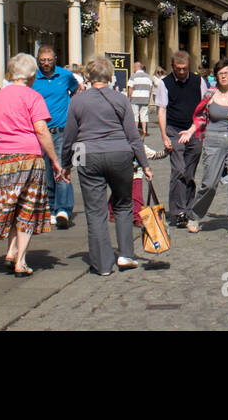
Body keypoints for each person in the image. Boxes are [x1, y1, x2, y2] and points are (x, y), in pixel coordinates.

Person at [0, 53, 68, 277]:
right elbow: (41, 130)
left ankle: (10, 250)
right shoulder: (33, 97)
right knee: (26, 206)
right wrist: (55, 161)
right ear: (31, 74)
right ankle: (21, 260)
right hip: (26, 155)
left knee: (8, 204)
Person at [62, 55, 152, 276]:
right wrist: (144, 164)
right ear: (110, 76)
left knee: (95, 211)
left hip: (87, 154)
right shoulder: (120, 99)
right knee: (123, 204)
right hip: (120, 152)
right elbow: (133, 136)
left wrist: (65, 164)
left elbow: (69, 137)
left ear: (88, 76)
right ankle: (126, 255)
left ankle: (102, 264)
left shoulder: (77, 101)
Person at [179, 58, 228, 234]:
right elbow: (201, 117)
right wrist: (191, 131)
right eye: (220, 74)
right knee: (210, 184)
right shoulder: (210, 94)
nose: (223, 77)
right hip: (213, 143)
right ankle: (195, 216)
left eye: (226, 73)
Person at [32, 45, 79, 229]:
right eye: (42, 60)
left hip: (61, 130)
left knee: (61, 169)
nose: (46, 63)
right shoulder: (33, 78)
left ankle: (63, 210)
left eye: (49, 60)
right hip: (40, 131)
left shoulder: (65, 75)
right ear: (38, 60)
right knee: (45, 172)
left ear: (55, 59)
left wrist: (70, 111)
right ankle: (50, 207)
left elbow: (76, 89)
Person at [158, 49, 203, 228]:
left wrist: (200, 131)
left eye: (184, 68)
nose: (182, 72)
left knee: (189, 172)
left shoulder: (199, 81)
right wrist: (163, 136)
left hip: (194, 131)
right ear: (172, 67)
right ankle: (178, 211)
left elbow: (203, 108)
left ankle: (188, 207)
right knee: (178, 169)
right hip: (174, 129)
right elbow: (162, 109)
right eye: (178, 69)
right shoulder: (165, 83)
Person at [128, 61, 155, 139]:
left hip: (135, 98)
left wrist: (130, 97)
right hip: (145, 98)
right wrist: (149, 97)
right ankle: (144, 131)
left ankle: (135, 130)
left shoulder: (133, 76)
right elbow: (150, 87)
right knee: (144, 115)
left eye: (134, 67)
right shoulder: (148, 76)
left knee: (135, 115)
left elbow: (130, 88)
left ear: (137, 67)